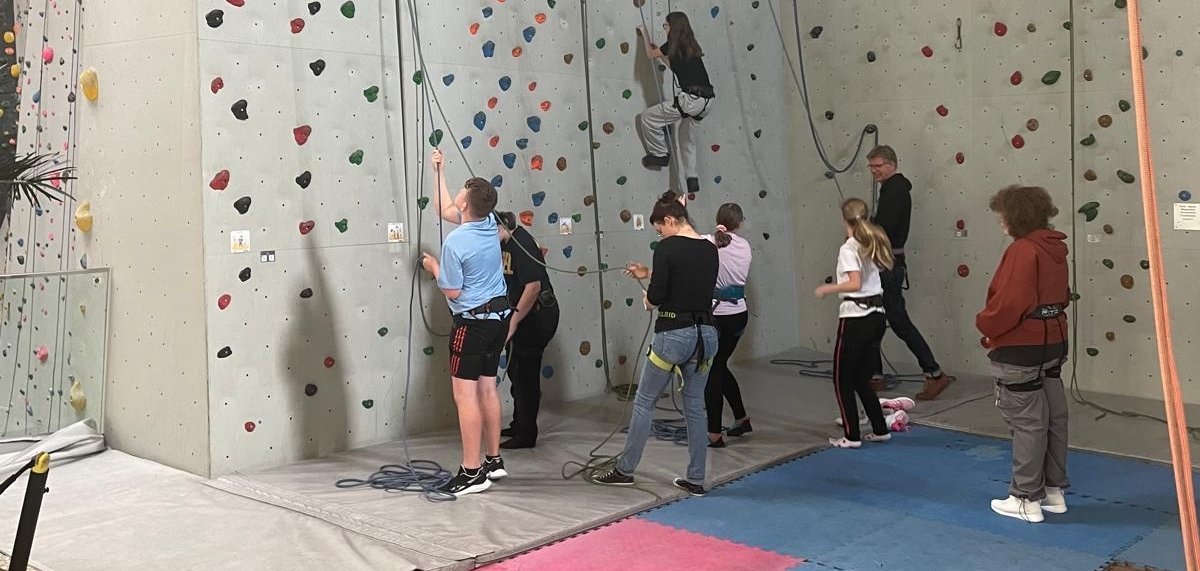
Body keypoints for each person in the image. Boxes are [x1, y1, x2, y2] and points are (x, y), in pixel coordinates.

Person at [594, 191, 719, 496]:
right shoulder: (709, 248)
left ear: (669, 220)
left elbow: (659, 295)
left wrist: (647, 299)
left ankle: (625, 470)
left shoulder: (666, 248)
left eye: (659, 229)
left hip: (673, 335)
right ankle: (696, 478)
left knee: (645, 402)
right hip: (706, 336)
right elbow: (689, 281)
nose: (659, 234)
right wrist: (646, 274)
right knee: (695, 407)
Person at [419, 149, 512, 497]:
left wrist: (433, 269)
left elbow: (454, 290)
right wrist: (438, 171)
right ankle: (493, 459)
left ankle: (472, 471)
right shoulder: (488, 224)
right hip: (499, 319)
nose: (456, 194)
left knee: (465, 395)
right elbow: (445, 210)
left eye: (461, 190)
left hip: (473, 324)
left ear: (468, 204)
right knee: (488, 387)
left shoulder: (456, 242)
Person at [976, 185, 1070, 524]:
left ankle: (1025, 497)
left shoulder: (1023, 251)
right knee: (1054, 417)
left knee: (1029, 422)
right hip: (1053, 342)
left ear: (1015, 217)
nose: (1001, 222)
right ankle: (1053, 491)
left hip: (1022, 346)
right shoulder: (1055, 249)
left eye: (1002, 216)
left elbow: (1008, 304)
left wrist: (985, 326)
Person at [867, 145, 954, 400]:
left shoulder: (895, 190)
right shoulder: (892, 189)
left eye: (879, 165)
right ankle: (876, 375)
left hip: (887, 265)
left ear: (892, 164)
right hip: (885, 263)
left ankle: (935, 374)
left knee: (897, 320)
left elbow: (884, 228)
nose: (874, 171)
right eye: (871, 167)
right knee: (875, 319)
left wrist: (862, 230)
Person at [815, 198, 894, 449]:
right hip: (877, 316)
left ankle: (851, 435)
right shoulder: (871, 241)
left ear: (844, 220)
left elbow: (855, 283)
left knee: (842, 378)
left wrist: (828, 288)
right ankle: (880, 428)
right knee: (861, 378)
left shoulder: (850, 247)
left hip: (856, 318)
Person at [494, 211, 559, 449]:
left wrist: (514, 321)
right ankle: (519, 423)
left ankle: (526, 434)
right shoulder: (506, 243)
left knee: (525, 375)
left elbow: (532, 288)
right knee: (515, 371)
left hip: (537, 316)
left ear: (503, 227)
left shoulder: (521, 243)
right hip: (521, 315)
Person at [636, 11, 715, 194]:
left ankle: (659, 154)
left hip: (691, 100)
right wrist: (661, 55)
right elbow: (675, 68)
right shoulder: (690, 47)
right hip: (707, 101)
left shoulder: (673, 43)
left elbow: (648, 53)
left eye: (666, 26)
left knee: (648, 117)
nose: (665, 29)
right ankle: (692, 177)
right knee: (686, 137)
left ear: (673, 27)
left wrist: (644, 32)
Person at [703, 203, 752, 448]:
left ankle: (714, 433)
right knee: (720, 365)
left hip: (717, 315)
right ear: (740, 222)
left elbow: (685, 235)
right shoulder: (744, 245)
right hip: (739, 313)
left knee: (713, 370)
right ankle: (742, 418)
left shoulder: (710, 243)